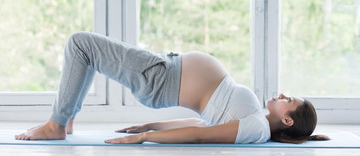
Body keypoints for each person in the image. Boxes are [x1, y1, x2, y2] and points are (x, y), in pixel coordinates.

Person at [15, 32, 329, 144]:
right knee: (86, 50)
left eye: (290, 101)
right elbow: (202, 122)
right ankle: (65, 120)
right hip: (163, 71)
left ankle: (57, 124)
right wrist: (152, 124)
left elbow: (200, 136)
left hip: (160, 78)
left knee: (79, 44)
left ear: (287, 120)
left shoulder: (257, 129)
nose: (284, 95)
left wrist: (147, 137)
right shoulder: (254, 120)